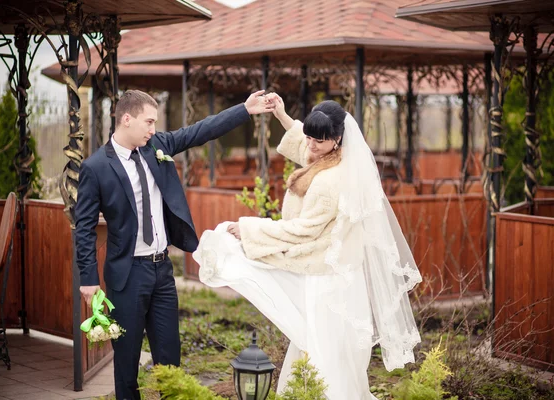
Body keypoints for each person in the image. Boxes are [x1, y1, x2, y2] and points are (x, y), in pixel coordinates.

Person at [194, 95, 422, 399]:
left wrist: (250, 228)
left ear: (337, 139)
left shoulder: (331, 181)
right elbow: (305, 146)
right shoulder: (336, 159)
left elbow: (303, 230)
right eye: (310, 138)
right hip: (337, 273)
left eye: (318, 141)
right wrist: (282, 116)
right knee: (317, 347)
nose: (311, 146)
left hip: (328, 281)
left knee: (323, 351)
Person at [74, 89, 274, 400]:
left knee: (170, 359)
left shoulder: (158, 146)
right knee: (126, 364)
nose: (153, 129)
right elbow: (83, 227)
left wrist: (244, 110)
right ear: (127, 119)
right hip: (126, 278)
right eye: (148, 122)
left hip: (162, 272)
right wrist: (88, 279)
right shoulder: (96, 167)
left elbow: (199, 131)